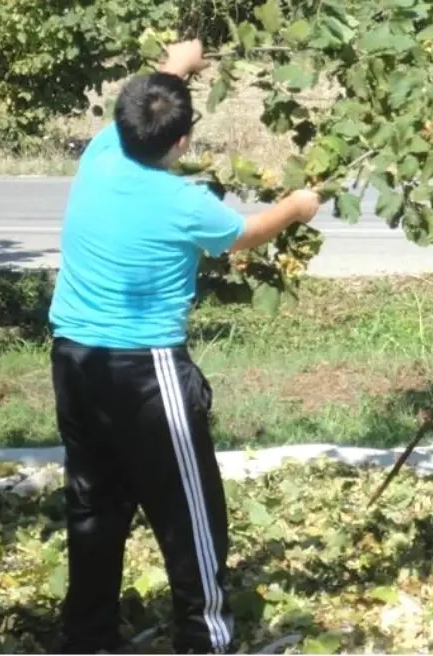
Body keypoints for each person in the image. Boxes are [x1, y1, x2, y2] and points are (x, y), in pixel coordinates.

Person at [47, 40, 321, 654]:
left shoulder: (101, 154)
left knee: (94, 504)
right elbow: (246, 234)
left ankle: (86, 639)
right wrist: (296, 207)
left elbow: (139, 108)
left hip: (74, 363)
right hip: (148, 374)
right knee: (190, 513)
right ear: (181, 143)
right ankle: (205, 640)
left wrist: (175, 65)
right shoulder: (182, 203)